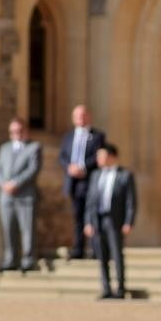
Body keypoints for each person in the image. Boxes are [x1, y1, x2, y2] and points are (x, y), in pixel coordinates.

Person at [83, 145, 136, 300]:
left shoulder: (125, 175)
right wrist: (88, 222)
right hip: (97, 220)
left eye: (102, 156)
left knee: (116, 254)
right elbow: (90, 201)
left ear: (112, 156)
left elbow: (130, 201)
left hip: (115, 220)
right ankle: (106, 288)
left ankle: (120, 288)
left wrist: (128, 222)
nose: (98, 159)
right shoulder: (95, 175)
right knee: (102, 255)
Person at [0, 117, 41, 273]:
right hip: (6, 196)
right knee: (8, 229)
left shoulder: (34, 147)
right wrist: (3, 185)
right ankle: (11, 259)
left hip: (25, 196)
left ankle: (28, 259)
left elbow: (32, 170)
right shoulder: (4, 148)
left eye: (19, 130)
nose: (17, 134)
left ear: (25, 130)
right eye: (13, 131)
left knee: (27, 229)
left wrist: (16, 183)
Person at [58, 104, 104, 260]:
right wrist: (69, 168)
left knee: (91, 215)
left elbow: (99, 157)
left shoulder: (98, 136)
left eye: (83, 115)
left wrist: (82, 167)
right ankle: (78, 248)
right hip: (73, 182)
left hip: (90, 181)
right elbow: (62, 156)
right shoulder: (68, 136)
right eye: (77, 116)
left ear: (89, 116)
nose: (80, 119)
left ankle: (94, 249)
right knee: (78, 216)